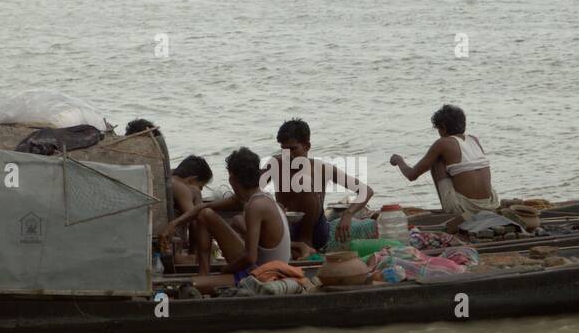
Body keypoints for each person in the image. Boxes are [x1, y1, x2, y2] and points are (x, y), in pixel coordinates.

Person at [177, 148, 290, 294]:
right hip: (263, 269)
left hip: (263, 276)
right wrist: (173, 224)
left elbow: (250, 257)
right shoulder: (260, 197)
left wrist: (226, 269)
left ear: (232, 180)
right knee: (205, 214)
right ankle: (204, 274)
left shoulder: (256, 205)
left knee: (192, 285)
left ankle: (204, 278)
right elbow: (204, 207)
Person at [268, 117, 374, 254]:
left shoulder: (322, 169)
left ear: (307, 146)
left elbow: (366, 190)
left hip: (315, 232)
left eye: (293, 149)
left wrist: (348, 214)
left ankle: (306, 245)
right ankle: (295, 246)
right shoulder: (276, 164)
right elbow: (251, 188)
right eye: (284, 150)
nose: (288, 155)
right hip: (286, 224)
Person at [389, 104, 499, 219]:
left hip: (465, 208)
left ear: (443, 127)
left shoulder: (443, 143)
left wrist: (399, 160)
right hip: (490, 204)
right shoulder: (474, 140)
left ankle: (449, 211)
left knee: (437, 161)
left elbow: (412, 175)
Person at [158, 155, 214, 275]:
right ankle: (193, 257)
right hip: (169, 255)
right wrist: (195, 253)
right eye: (201, 185)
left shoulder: (166, 176)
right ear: (192, 179)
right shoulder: (182, 188)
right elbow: (196, 223)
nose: (201, 189)